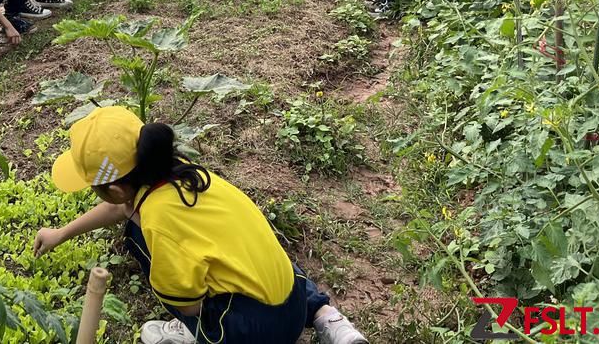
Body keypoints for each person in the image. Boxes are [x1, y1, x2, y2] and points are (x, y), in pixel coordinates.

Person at [33, 107, 369, 344]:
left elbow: (188, 303)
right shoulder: (182, 172)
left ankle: (200, 333)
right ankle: (326, 316)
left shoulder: (157, 220)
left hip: (261, 331)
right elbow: (120, 207)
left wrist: (192, 309)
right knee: (249, 251)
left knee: (149, 251)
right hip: (294, 298)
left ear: (117, 190)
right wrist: (62, 233)